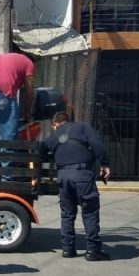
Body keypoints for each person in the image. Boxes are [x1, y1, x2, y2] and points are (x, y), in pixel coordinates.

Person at [42, 112, 112, 261]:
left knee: (67, 214)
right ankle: (93, 251)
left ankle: (68, 249)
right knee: (90, 212)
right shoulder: (83, 127)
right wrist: (104, 163)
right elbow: (97, 144)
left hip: (63, 176)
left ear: (55, 124)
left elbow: (41, 149)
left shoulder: (54, 136)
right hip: (82, 175)